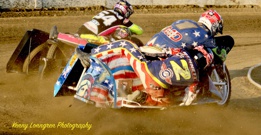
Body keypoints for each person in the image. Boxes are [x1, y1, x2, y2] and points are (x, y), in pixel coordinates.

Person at [76, 39, 214, 107]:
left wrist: (142, 51)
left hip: (149, 72)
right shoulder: (196, 79)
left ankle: (91, 55)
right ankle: (140, 99)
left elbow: (159, 51)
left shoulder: (182, 53)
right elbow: (188, 100)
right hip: (160, 93)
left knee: (125, 45)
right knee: (157, 98)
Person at [145, 10, 227, 105]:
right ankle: (192, 89)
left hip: (148, 50)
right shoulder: (205, 35)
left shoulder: (184, 22)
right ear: (215, 25)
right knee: (207, 54)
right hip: (167, 57)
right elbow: (218, 53)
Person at [76, 0, 143, 44]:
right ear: (126, 11)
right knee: (109, 43)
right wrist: (129, 31)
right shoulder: (122, 20)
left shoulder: (105, 11)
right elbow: (139, 31)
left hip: (81, 29)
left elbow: (94, 18)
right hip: (91, 36)